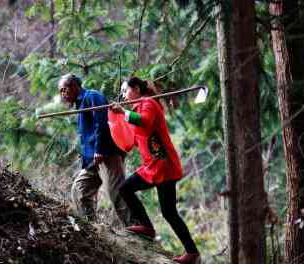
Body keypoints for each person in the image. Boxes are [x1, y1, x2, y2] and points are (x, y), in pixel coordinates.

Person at [110, 77, 200, 264]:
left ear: (135, 89)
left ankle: (192, 253)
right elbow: (134, 137)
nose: (124, 95)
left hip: (164, 165)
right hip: (151, 166)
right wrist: (117, 117)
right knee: (126, 189)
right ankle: (147, 227)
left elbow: (145, 122)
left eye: (125, 90)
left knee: (168, 212)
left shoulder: (149, 103)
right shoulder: (138, 107)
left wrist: (124, 112)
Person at [58, 73, 131, 227]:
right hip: (92, 159)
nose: (62, 94)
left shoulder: (92, 96)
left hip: (106, 154)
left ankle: (136, 229)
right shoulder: (80, 104)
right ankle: (91, 226)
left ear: (75, 86)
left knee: (116, 193)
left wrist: (99, 149)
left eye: (64, 89)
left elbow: (102, 123)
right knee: (80, 190)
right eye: (60, 91)